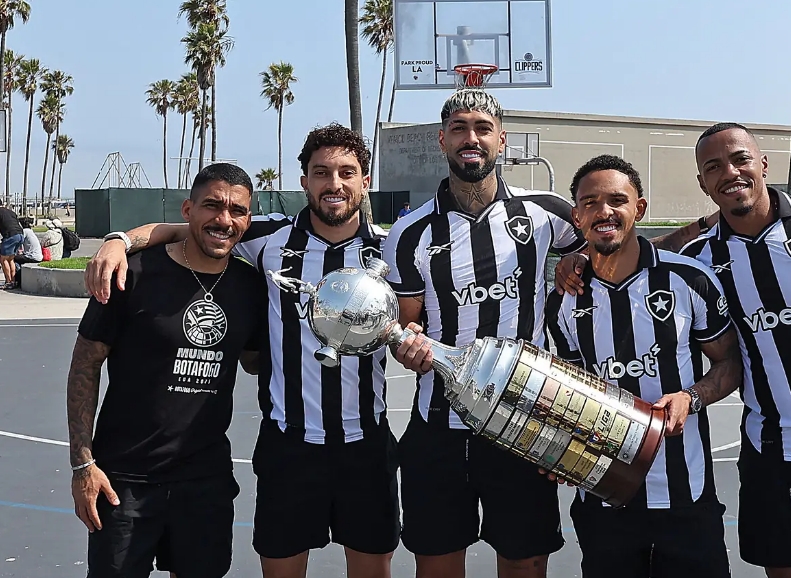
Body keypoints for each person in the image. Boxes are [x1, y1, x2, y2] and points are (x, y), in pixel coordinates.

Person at [557, 122, 791, 578]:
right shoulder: (703, 260)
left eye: (740, 159)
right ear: (703, 183)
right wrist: (585, 256)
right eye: (713, 167)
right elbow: (646, 252)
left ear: (763, 163)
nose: (730, 172)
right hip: (773, 453)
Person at [83, 124, 400, 578]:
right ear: (304, 180)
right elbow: (183, 228)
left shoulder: (390, 248)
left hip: (366, 444)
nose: (335, 184)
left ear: (365, 181)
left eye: (347, 173)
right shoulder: (267, 238)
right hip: (290, 446)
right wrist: (119, 241)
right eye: (321, 172)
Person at [383, 88, 586, 578]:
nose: (470, 138)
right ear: (442, 140)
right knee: (436, 561)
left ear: (502, 140)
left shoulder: (547, 214)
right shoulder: (409, 233)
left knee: (524, 560)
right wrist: (407, 346)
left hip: (523, 419)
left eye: (481, 128)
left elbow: (613, 248)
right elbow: (408, 323)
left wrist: (579, 257)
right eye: (458, 129)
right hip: (438, 425)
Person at [545, 154, 742, 578]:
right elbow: (569, 391)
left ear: (640, 208)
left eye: (618, 199)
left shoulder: (690, 280)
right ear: (576, 215)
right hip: (604, 499)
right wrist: (557, 450)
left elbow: (730, 363)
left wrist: (692, 397)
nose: (604, 211)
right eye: (590, 202)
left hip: (686, 499)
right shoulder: (563, 299)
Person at [65, 163, 266, 578]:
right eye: (212, 205)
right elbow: (85, 365)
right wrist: (83, 464)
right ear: (188, 209)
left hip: (204, 480)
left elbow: (254, 361)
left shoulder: (251, 286)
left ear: (248, 218)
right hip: (124, 482)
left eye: (237, 211)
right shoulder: (132, 273)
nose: (223, 220)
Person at [0, 200, 24, 288]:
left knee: (3, 259)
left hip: (10, 236)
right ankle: (13, 281)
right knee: (10, 259)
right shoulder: (11, 212)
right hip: (20, 235)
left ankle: (9, 282)